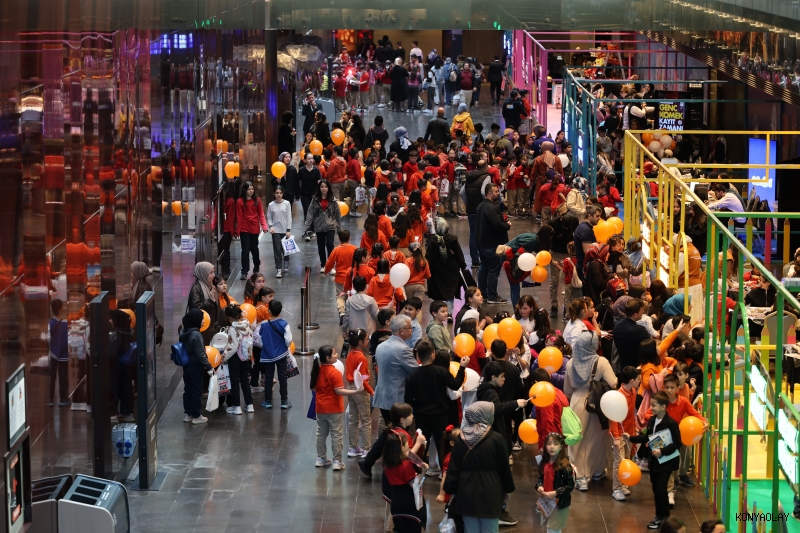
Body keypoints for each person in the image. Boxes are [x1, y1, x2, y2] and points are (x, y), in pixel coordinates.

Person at [443, 401, 517, 532]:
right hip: (491, 493)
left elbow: (454, 469)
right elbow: (504, 469)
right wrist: (507, 489)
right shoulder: (497, 439)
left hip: (466, 494)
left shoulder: (461, 439)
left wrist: (449, 489)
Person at [564, 330, 618, 491]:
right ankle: (597, 470)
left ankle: (580, 476)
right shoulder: (601, 362)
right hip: (597, 403)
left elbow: (567, 389)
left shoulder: (571, 363)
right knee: (597, 438)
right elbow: (613, 383)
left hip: (576, 401)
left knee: (577, 440)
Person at [404, 340, 468, 475]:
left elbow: (408, 399)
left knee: (421, 445)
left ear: (418, 356)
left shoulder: (412, 374)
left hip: (421, 415)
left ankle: (415, 472)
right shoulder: (441, 371)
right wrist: (462, 367)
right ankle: (445, 473)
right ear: (433, 355)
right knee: (442, 445)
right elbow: (455, 384)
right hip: (440, 415)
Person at [625, 391, 682, 530]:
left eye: (654, 405)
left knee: (661, 490)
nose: (651, 408)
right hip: (655, 462)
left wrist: (662, 451)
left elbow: (677, 443)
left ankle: (664, 517)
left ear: (663, 407)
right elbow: (647, 437)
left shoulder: (671, 423)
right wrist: (631, 438)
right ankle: (660, 516)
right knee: (656, 490)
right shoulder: (652, 420)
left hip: (666, 462)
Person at [311, 345, 363, 470]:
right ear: (328, 358)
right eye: (334, 353)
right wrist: (355, 391)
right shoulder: (335, 373)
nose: (337, 355)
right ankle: (337, 461)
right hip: (334, 408)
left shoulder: (316, 371)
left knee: (321, 434)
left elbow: (314, 388)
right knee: (336, 435)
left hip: (320, 408)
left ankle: (321, 458)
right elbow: (339, 391)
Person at [373, 315, 420, 423]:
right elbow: (416, 372)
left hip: (382, 397)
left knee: (389, 428)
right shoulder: (403, 349)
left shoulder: (381, 346)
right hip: (396, 399)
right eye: (410, 327)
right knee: (399, 430)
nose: (412, 330)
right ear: (401, 330)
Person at [475, 183, 511, 303]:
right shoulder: (491, 208)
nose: (498, 193)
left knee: (484, 268)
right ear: (489, 193)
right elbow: (498, 225)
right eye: (496, 191)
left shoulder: (481, 206)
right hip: (492, 244)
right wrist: (507, 225)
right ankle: (492, 295)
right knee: (493, 271)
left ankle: (482, 293)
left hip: (482, 243)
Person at [610, 366, 641, 501]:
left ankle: (623, 484)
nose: (640, 381)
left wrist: (634, 428)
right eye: (638, 379)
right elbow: (614, 418)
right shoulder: (619, 395)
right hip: (619, 433)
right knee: (619, 461)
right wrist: (616, 437)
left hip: (629, 432)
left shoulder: (633, 391)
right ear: (632, 380)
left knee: (627, 459)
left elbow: (631, 413)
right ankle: (616, 488)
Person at [535, 433, 575, 533]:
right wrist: (540, 486)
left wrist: (555, 492)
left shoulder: (565, 466)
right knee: (550, 527)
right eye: (549, 444)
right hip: (547, 501)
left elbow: (570, 486)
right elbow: (540, 478)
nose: (552, 447)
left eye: (555, 444)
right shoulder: (544, 463)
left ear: (561, 447)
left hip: (559, 503)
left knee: (553, 527)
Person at [180, 309, 214, 424]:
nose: (203, 321)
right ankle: (196, 416)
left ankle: (188, 413)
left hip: (186, 364)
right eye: (202, 319)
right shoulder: (196, 335)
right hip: (195, 366)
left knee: (188, 389)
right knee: (196, 390)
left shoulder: (183, 331)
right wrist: (208, 367)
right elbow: (200, 354)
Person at [425, 219, 466, 314]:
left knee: (438, 291)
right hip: (451, 270)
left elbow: (428, 257)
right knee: (450, 292)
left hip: (436, 270)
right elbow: (459, 254)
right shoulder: (453, 240)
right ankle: (449, 313)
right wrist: (462, 265)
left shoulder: (432, 241)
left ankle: (438, 312)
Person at [257, 300, 293, 410]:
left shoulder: (263, 325)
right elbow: (288, 340)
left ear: (269, 311)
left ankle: (268, 401)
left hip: (267, 355)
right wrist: (284, 346)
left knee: (268, 377)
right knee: (283, 377)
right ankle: (284, 401)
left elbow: (260, 341)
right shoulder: (284, 324)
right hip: (281, 354)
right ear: (280, 311)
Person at [345, 329, 375, 458]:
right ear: (360, 342)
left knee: (353, 418)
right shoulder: (362, 357)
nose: (368, 341)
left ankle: (353, 447)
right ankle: (366, 449)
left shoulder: (350, 354)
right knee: (366, 420)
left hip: (351, 388)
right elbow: (363, 380)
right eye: (367, 339)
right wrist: (372, 392)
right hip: (360, 389)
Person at [221, 304, 255, 415]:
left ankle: (236, 407)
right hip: (245, 357)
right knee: (245, 381)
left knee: (235, 382)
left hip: (235, 358)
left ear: (230, 318)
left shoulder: (233, 329)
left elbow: (233, 347)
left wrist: (224, 357)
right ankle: (249, 405)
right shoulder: (247, 325)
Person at [303, 179, 342, 272]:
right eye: (322, 187)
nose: (324, 189)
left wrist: (339, 228)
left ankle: (331, 266)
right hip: (319, 226)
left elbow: (338, 214)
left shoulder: (333, 200)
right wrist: (306, 228)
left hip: (330, 226)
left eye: (325, 187)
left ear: (328, 188)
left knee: (330, 245)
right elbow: (310, 213)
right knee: (321, 246)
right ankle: (323, 265)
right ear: (319, 188)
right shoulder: (315, 200)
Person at [235, 181, 268, 280]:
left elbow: (261, 214)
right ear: (244, 190)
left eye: (252, 189)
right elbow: (239, 217)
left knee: (254, 249)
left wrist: (264, 226)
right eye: (249, 189)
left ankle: (257, 264)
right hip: (244, 228)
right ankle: (244, 271)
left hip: (254, 228)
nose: (251, 191)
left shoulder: (257, 200)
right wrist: (238, 230)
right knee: (245, 250)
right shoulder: (240, 201)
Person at [613, 298, 652, 369]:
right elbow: (650, 350)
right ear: (635, 315)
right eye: (641, 310)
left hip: (623, 369)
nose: (643, 312)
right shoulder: (640, 330)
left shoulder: (617, 326)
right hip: (637, 369)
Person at [48, 299, 70, 407]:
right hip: (64, 354)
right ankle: (63, 398)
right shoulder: (66, 323)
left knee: (52, 377)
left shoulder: (51, 323)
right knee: (63, 377)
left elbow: (48, 338)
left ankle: (50, 399)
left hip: (53, 353)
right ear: (60, 310)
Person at [267, 186, 292, 278]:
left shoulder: (287, 203)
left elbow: (289, 217)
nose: (279, 195)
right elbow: (269, 217)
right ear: (274, 194)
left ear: (283, 194)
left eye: (280, 193)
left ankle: (286, 260)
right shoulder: (271, 205)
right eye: (277, 193)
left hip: (285, 230)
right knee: (277, 250)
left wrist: (288, 230)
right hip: (276, 230)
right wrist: (271, 226)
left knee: (285, 249)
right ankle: (278, 268)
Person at [298, 152, 322, 239]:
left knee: (314, 212)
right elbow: (299, 182)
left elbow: (319, 181)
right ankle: (307, 231)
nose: (311, 160)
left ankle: (312, 230)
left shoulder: (316, 170)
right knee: (307, 211)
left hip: (314, 194)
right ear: (305, 160)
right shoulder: (301, 170)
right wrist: (298, 193)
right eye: (309, 159)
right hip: (304, 194)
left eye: (312, 158)